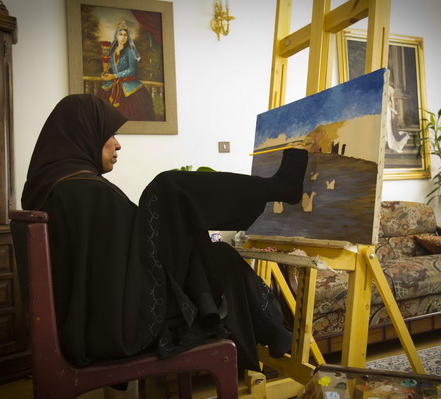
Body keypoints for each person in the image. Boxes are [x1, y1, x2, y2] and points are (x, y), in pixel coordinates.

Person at [21, 94, 309, 376]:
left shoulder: (56, 188)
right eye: (108, 134)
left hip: (98, 316)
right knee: (168, 188)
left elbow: (125, 251)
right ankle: (270, 322)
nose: (117, 143)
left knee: (214, 251)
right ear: (83, 134)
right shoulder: (83, 190)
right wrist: (177, 220)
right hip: (115, 324)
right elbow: (140, 249)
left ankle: (271, 326)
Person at [97, 21, 156, 121]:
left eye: (125, 35)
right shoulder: (111, 51)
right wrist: (106, 73)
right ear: (116, 36)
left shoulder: (130, 51)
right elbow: (112, 68)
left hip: (129, 84)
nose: (123, 37)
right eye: (121, 34)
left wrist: (114, 76)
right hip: (113, 83)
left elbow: (132, 70)